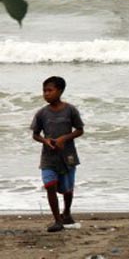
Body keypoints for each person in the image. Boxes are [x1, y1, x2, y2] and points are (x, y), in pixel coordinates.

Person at [30, 76, 84, 232]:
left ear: (60, 91)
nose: (46, 94)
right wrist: (45, 141)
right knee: (50, 185)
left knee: (67, 188)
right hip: (48, 157)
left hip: (67, 156)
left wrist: (64, 138)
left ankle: (66, 213)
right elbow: (35, 134)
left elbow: (80, 130)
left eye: (50, 90)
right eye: (44, 91)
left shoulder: (70, 110)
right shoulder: (41, 113)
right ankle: (57, 220)